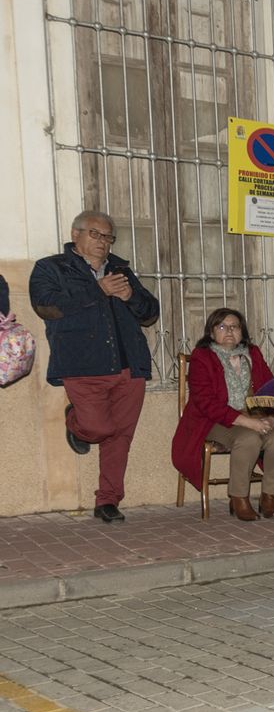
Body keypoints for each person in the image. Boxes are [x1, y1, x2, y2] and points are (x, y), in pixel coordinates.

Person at [28, 210, 160, 523]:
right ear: (76, 235)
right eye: (95, 234)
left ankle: (107, 501)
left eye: (108, 237)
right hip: (83, 366)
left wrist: (130, 297)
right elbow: (46, 306)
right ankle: (75, 422)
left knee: (121, 437)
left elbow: (150, 313)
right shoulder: (51, 268)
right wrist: (97, 290)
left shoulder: (120, 269)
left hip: (130, 365)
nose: (103, 242)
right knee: (100, 428)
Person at [171, 308, 274, 520]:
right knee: (249, 438)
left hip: (252, 415)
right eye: (222, 327)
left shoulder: (252, 353)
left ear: (242, 331)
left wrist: (272, 417)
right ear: (211, 332)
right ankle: (239, 498)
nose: (229, 331)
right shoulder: (203, 357)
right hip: (212, 420)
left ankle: (269, 496)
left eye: (234, 327)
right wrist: (248, 422)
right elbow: (205, 402)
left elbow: (270, 389)